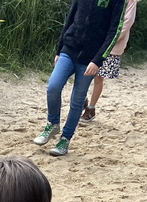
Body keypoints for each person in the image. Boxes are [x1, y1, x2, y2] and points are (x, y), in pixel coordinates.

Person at [33, 0, 127, 157]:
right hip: (69, 49)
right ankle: (52, 124)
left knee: (77, 101)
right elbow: (70, 18)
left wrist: (98, 60)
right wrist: (59, 49)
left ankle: (65, 139)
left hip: (90, 58)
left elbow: (114, 31)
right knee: (53, 86)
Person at [81, 0, 140, 124]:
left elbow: (127, 23)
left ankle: (91, 108)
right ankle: (82, 99)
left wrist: (110, 40)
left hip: (112, 46)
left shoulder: (130, 1)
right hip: (94, 41)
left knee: (98, 77)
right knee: (83, 71)